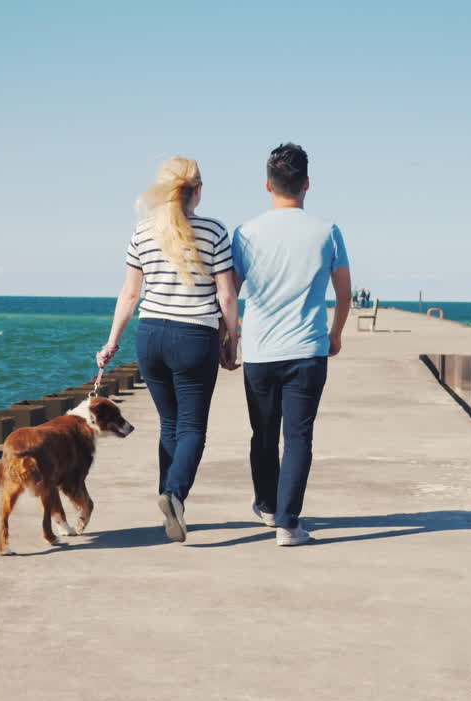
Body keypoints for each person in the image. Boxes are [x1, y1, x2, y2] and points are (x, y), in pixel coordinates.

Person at [96, 156, 240, 543]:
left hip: (151, 337)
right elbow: (226, 295)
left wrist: (111, 342)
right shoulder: (214, 231)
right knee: (192, 428)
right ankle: (173, 494)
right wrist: (232, 340)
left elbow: (130, 294)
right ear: (198, 190)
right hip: (195, 336)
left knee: (170, 426)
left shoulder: (143, 231)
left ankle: (170, 505)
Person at [231, 142, 350, 546]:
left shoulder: (245, 233)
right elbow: (344, 293)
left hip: (260, 351)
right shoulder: (327, 232)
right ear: (307, 184)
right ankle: (287, 524)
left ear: (268, 185)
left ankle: (267, 506)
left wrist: (230, 337)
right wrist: (336, 334)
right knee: (298, 437)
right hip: (308, 350)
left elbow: (230, 293)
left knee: (263, 434)